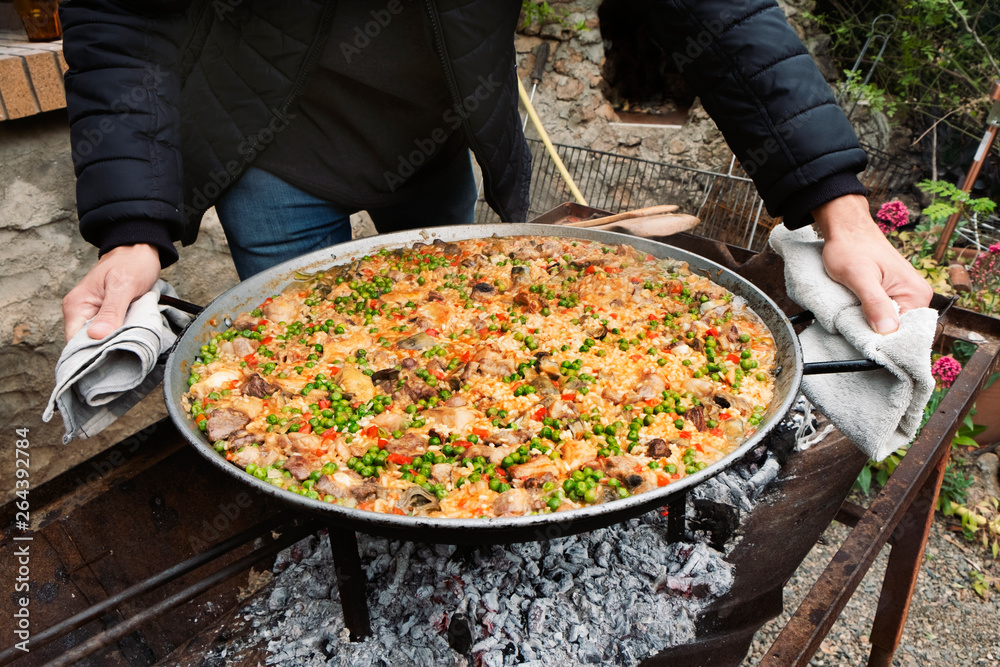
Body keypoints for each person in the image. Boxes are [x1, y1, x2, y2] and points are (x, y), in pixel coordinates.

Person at [60, 0, 932, 343]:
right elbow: (122, 19)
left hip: (435, 138)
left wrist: (838, 210)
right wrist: (135, 227)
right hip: (273, 152)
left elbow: (720, 10)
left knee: (461, 335)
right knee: (306, 346)